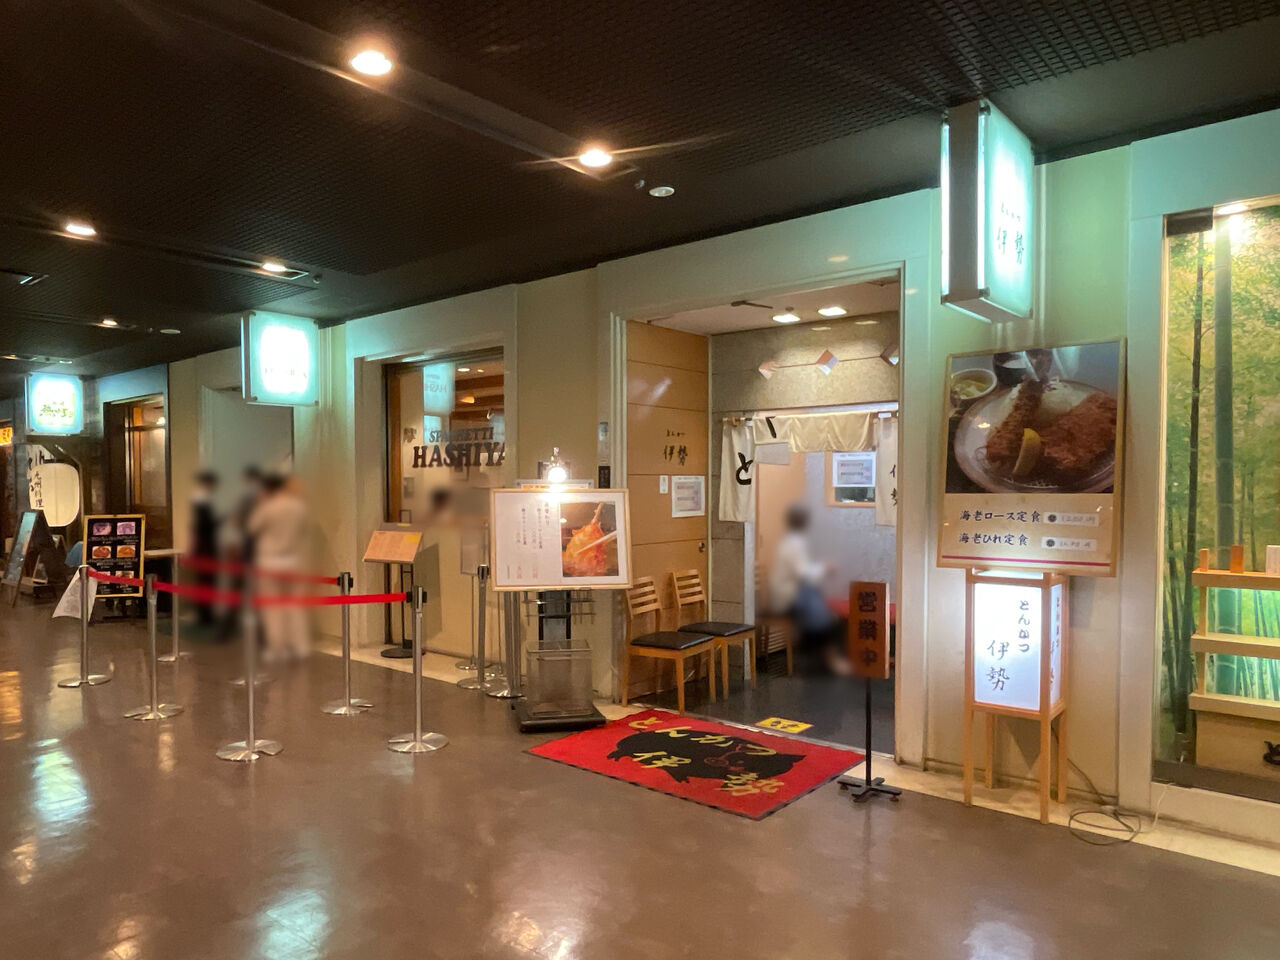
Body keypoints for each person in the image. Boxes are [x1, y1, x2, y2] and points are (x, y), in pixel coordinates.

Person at [768, 503, 847, 675]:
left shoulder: (793, 541)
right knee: (826, 617)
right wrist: (825, 567)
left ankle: (826, 657)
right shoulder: (793, 544)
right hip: (788, 596)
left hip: (795, 592)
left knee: (826, 612)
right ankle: (829, 659)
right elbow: (803, 574)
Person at [247, 472, 311, 660]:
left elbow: (252, 527)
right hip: (292, 560)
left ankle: (277, 648)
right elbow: (303, 530)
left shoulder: (268, 506)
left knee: (272, 608)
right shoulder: (299, 507)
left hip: (270, 560)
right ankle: (300, 646)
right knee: (295, 604)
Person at [189, 470, 220, 626]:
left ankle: (205, 613)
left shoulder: (199, 499)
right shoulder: (202, 500)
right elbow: (207, 525)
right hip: (206, 547)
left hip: (202, 546)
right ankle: (205, 614)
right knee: (207, 580)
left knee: (204, 580)